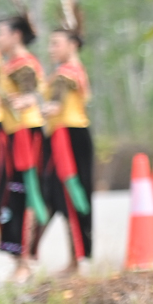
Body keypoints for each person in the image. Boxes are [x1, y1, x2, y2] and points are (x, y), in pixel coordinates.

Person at [0, 14, 49, 281]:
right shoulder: (8, 64)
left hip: (26, 134)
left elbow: (30, 96)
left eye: (1, 34)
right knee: (12, 196)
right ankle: (19, 259)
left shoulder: (24, 63)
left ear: (16, 35)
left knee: (25, 195)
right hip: (12, 133)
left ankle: (24, 261)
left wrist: (19, 101)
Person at [41, 22, 93, 264]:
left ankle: (75, 259)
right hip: (62, 136)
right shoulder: (71, 70)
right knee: (54, 195)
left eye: (56, 44)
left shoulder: (66, 73)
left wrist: (30, 109)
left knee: (70, 195)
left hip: (69, 138)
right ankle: (33, 255)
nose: (50, 49)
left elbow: (55, 106)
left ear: (72, 45)